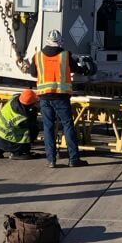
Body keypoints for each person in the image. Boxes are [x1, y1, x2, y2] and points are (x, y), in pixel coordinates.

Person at [28, 29, 94, 168]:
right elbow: (76, 69)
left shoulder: (38, 56)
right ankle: (73, 159)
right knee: (67, 126)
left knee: (48, 127)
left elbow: (33, 73)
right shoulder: (65, 55)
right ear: (60, 42)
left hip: (44, 96)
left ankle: (51, 160)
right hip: (61, 96)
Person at [0, 89, 40, 160]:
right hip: (4, 138)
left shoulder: (13, 100)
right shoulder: (23, 117)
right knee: (33, 130)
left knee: (15, 131)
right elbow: (32, 124)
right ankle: (19, 153)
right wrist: (34, 112)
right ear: (30, 105)